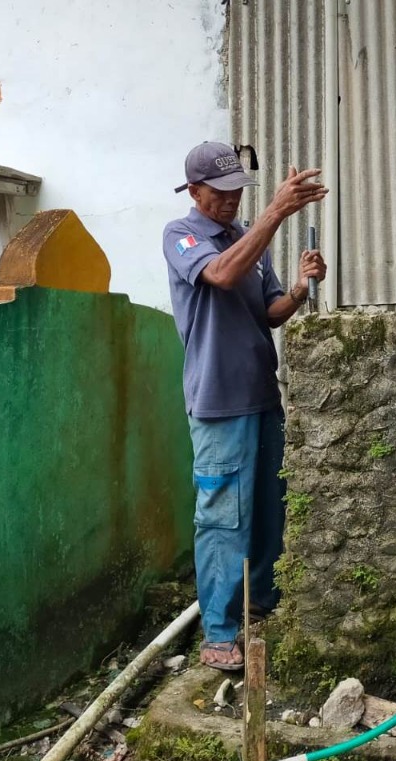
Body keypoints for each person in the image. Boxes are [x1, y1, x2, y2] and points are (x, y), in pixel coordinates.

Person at [163, 141, 327, 670]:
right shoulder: (182, 235)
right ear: (194, 191)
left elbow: (270, 312)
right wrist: (277, 212)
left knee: (266, 513)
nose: (232, 201)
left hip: (262, 396)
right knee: (223, 519)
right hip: (218, 404)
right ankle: (218, 632)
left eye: (239, 192)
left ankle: (261, 609)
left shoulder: (247, 239)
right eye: (221, 192)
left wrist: (302, 287)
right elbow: (221, 276)